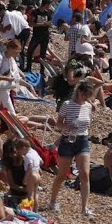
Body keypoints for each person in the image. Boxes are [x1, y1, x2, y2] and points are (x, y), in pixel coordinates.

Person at [45, 80, 98, 215]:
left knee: (85, 174)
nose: (87, 98)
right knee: (62, 175)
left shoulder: (87, 106)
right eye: (86, 95)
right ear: (80, 92)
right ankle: (52, 201)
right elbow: (58, 124)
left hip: (82, 140)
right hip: (68, 140)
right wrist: (67, 127)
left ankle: (84, 208)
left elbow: (86, 123)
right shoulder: (67, 105)